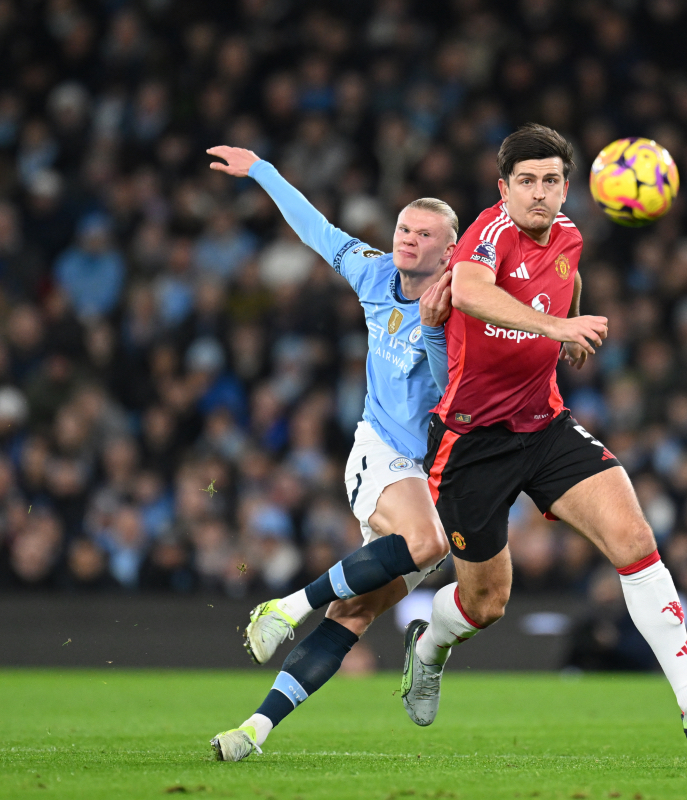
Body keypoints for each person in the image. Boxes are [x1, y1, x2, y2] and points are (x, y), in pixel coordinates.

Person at [400, 124, 687, 749]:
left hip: (546, 424)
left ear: (568, 187)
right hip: (472, 442)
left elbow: (569, 279)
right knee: (486, 603)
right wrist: (559, 328)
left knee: (635, 537)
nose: (540, 194)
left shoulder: (568, 235)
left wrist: (568, 325)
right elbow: (476, 296)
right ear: (503, 188)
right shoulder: (486, 238)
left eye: (552, 181)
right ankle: (428, 646)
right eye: (527, 182)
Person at [205, 145, 458, 762]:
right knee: (430, 545)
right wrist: (262, 170)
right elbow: (316, 230)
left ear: (449, 251)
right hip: (379, 450)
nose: (408, 239)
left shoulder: (462, 307)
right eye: (403, 228)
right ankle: (287, 605)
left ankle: (253, 732)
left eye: (424, 234)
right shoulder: (373, 271)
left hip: (433, 473)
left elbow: (450, 381)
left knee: (354, 614)